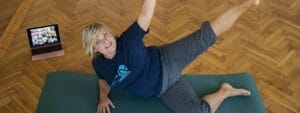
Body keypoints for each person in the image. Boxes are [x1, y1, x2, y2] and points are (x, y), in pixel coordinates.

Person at [82, 0, 260, 113]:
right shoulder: (99, 63)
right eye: (98, 41)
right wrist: (103, 96)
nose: (105, 41)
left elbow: (145, 13)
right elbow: (102, 80)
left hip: (165, 60)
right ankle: (225, 91)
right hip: (163, 90)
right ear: (94, 49)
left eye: (105, 34)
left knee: (203, 38)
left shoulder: (129, 40)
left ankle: (246, 4)